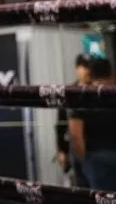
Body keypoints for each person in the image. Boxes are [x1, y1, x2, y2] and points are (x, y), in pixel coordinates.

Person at [68, 57, 116, 191]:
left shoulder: (84, 97)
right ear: (112, 73)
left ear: (91, 74)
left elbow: (75, 134)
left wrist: (85, 161)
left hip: (95, 157)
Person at [54, 55, 91, 186]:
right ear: (77, 69)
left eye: (89, 67)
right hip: (77, 147)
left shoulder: (97, 90)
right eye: (84, 67)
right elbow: (60, 125)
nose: (87, 71)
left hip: (95, 145)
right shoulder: (69, 92)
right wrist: (61, 150)